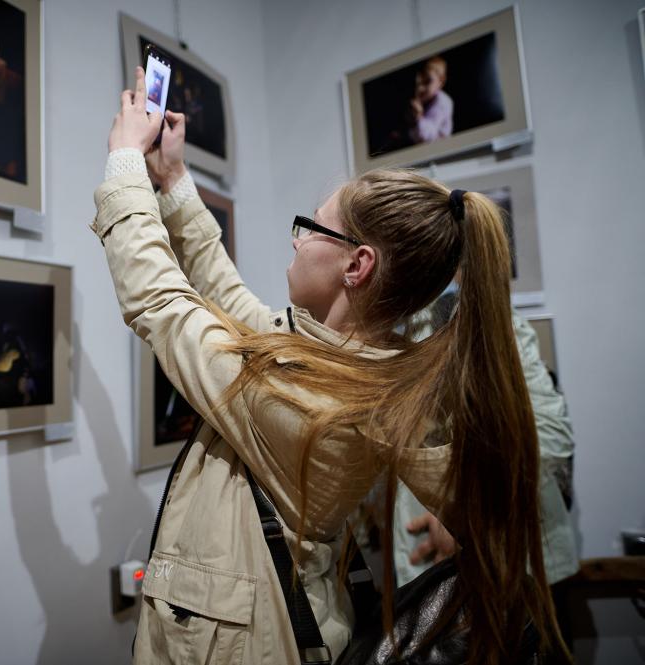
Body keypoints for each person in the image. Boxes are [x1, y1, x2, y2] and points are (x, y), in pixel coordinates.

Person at [92, 67, 566, 664]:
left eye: (310, 227)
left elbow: (163, 304)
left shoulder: (313, 397)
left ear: (356, 265)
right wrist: (175, 180)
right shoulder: (354, 366)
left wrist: (124, 161)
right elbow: (231, 300)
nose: (296, 241)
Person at [393, 293, 578, 588]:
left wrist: (464, 513)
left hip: (505, 569)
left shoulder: (463, 313)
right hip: (429, 570)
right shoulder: (376, 328)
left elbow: (548, 438)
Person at [407, 55, 453, 144]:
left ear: (441, 81)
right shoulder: (424, 99)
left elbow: (428, 136)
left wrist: (418, 117)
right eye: (419, 83)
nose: (420, 88)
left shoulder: (442, 102)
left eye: (427, 81)